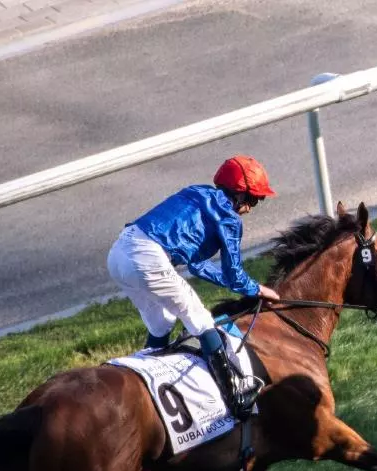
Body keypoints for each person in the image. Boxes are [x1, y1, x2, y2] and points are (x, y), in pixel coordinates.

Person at [107, 154, 280, 417]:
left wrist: (248, 287)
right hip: (147, 258)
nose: (253, 206)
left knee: (161, 323)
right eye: (255, 199)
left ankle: (146, 385)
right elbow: (233, 273)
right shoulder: (228, 218)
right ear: (239, 195)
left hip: (119, 252)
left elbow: (198, 266)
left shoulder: (195, 192)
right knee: (200, 320)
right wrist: (256, 289)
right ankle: (235, 395)